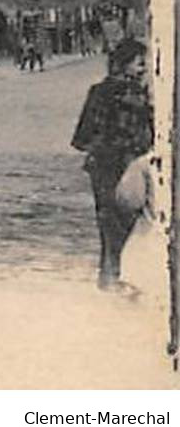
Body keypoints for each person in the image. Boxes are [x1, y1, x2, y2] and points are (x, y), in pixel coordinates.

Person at [70, 38, 154, 291]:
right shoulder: (142, 97)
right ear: (123, 64)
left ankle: (110, 279)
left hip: (109, 165)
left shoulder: (107, 92)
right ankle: (117, 278)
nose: (143, 69)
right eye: (139, 64)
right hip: (116, 165)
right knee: (125, 223)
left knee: (110, 225)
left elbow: (82, 137)